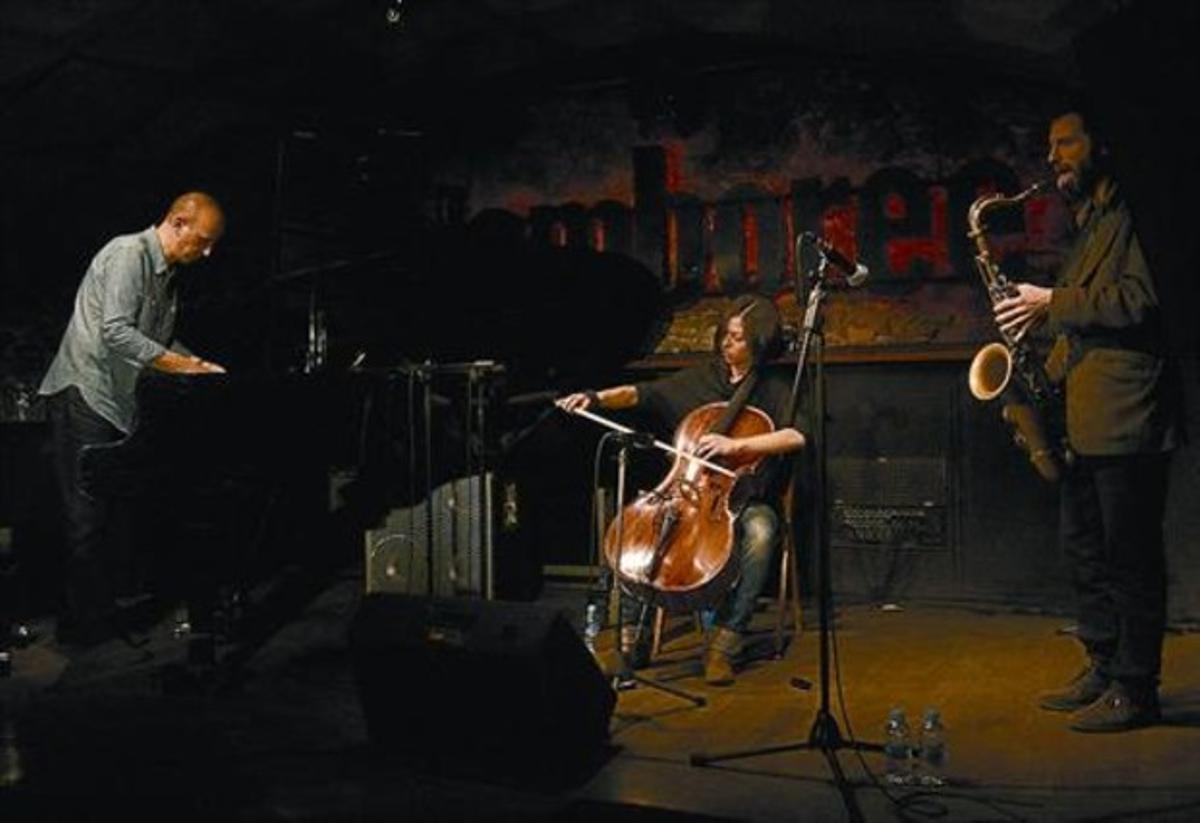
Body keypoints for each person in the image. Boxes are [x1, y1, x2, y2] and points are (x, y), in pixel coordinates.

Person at [995, 110, 1179, 732]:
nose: (1053, 157)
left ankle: (1136, 687)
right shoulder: (1091, 221)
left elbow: (1144, 301)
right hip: (1080, 414)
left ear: (1102, 144)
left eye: (1065, 142)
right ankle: (1103, 664)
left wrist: (1053, 302)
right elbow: (1084, 319)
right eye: (1048, 145)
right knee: (1086, 553)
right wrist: (1038, 355)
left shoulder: (1137, 216)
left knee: (1131, 558)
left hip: (1128, 416)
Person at [558, 295, 805, 685]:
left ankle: (726, 642)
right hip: (688, 493)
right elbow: (644, 394)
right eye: (725, 334)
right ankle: (628, 641)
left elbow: (796, 435)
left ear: (759, 342)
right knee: (639, 529)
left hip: (745, 498)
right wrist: (595, 397)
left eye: (738, 338)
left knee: (762, 531)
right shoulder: (703, 377)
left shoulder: (775, 388)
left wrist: (737, 447)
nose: (727, 343)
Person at [38, 191, 228, 647]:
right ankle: (84, 631)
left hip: (115, 402)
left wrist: (197, 362)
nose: (207, 252)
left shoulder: (166, 277)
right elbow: (117, 331)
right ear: (177, 223)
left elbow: (159, 340)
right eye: (202, 241)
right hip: (84, 393)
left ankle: (100, 613)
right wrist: (180, 365)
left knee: (111, 515)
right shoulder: (128, 253)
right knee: (86, 518)